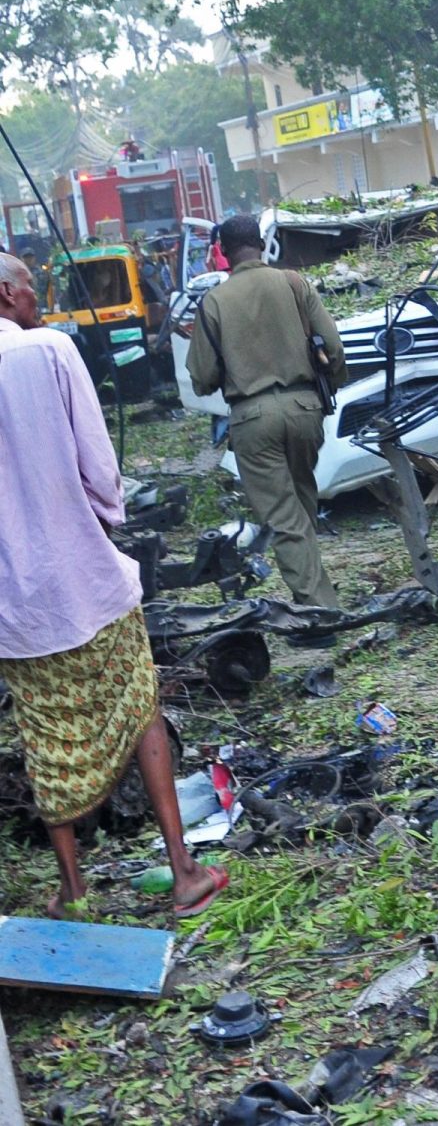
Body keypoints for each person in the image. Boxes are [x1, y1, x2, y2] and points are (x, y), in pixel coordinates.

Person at [0, 252, 229, 921]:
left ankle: (73, 889)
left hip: (14, 606)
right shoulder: (46, 350)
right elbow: (100, 468)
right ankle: (184, 870)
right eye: (31, 290)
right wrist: (104, 518)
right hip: (85, 577)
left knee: (43, 733)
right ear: (9, 295)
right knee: (139, 707)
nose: (38, 301)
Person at [185, 216, 345, 630]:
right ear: (262, 244)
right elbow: (333, 347)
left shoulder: (215, 302)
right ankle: (320, 590)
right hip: (306, 408)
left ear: (221, 251)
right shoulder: (294, 283)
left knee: (284, 518)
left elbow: (201, 378)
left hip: (253, 417)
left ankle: (319, 615)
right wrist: (325, 387)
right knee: (301, 502)